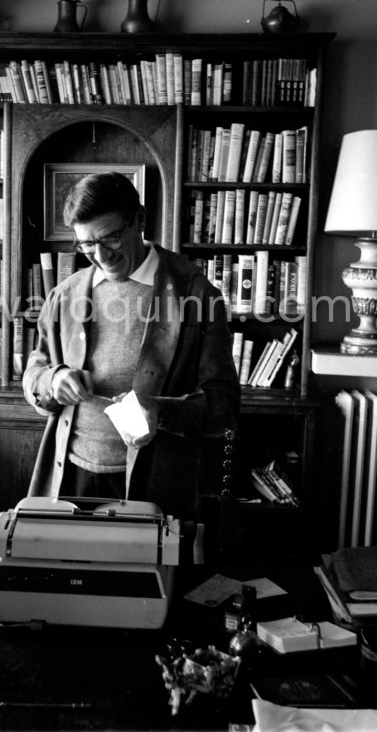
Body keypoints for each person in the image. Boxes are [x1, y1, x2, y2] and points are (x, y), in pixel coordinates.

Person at [22, 171, 240, 520]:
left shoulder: (196, 295)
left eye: (110, 238)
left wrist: (159, 411)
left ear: (139, 219)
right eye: (86, 245)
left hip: (155, 485)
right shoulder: (65, 294)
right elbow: (35, 372)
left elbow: (223, 405)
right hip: (71, 475)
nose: (100, 256)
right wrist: (53, 380)